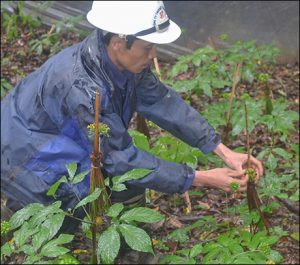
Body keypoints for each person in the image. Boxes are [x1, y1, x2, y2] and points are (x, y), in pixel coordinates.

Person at [1, 1, 263, 234]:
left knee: (128, 180)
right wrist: (200, 178)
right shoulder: (83, 88)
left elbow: (161, 102)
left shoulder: (121, 61)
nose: (154, 56)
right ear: (118, 42)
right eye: (148, 47)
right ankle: (16, 214)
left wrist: (224, 151)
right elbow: (120, 159)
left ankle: (127, 243)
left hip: (56, 137)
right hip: (23, 150)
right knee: (63, 212)